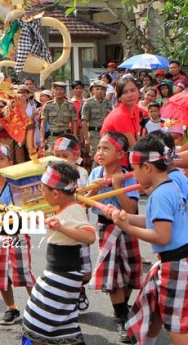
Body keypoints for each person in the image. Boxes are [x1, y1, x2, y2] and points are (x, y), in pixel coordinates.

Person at [110, 136, 188, 344]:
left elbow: (162, 236)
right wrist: (123, 216)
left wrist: (127, 227)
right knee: (156, 310)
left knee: (176, 326)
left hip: (176, 264)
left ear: (146, 167)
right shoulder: (171, 186)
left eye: (134, 168)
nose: (133, 174)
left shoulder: (160, 195)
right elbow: (154, 221)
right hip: (176, 261)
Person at [22, 161, 95, 345]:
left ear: (55, 193)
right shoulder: (65, 208)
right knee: (50, 320)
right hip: (57, 274)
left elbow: (89, 236)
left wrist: (61, 227)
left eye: (43, 191)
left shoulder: (75, 209)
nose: (42, 195)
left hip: (62, 277)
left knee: (39, 320)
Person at [86, 132, 141, 343]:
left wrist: (117, 187)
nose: (100, 152)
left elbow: (132, 208)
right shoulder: (95, 174)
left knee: (130, 270)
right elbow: (84, 202)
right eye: (98, 148)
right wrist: (95, 190)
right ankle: (121, 316)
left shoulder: (129, 175)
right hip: (105, 228)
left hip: (127, 227)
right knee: (112, 273)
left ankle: (123, 305)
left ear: (120, 154)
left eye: (105, 148)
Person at [0, 143, 34, 325]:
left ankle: (37, 306)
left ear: (10, 163)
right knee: (0, 274)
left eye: (1, 159)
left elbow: (15, 209)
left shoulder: (13, 185)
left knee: (24, 272)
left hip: (17, 234)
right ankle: (11, 308)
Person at [52, 135, 91, 311]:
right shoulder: (52, 175)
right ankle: (67, 295)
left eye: (65, 156)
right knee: (62, 261)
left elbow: (84, 197)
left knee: (82, 263)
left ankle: (80, 288)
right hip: (58, 224)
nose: (61, 160)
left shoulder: (81, 173)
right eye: (58, 156)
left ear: (76, 156)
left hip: (79, 224)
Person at [101, 75, 141, 150]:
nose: (130, 95)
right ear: (119, 97)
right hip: (111, 158)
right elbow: (132, 146)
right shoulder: (120, 116)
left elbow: (137, 136)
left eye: (133, 90)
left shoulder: (135, 108)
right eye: (124, 92)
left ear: (138, 91)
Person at [40, 82, 77, 154]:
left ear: (65, 91)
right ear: (53, 91)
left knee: (65, 158)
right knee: (51, 159)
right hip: (52, 138)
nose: (58, 91)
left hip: (66, 137)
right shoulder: (48, 105)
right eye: (56, 89)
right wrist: (42, 139)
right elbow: (43, 123)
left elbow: (74, 123)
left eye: (61, 89)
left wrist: (74, 137)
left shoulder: (70, 106)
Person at [81, 80, 112, 163]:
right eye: (97, 89)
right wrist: (86, 139)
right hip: (94, 134)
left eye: (102, 89)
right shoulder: (88, 103)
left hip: (106, 133)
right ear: (93, 90)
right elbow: (84, 121)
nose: (99, 91)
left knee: (106, 155)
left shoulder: (108, 103)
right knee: (95, 156)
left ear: (105, 91)